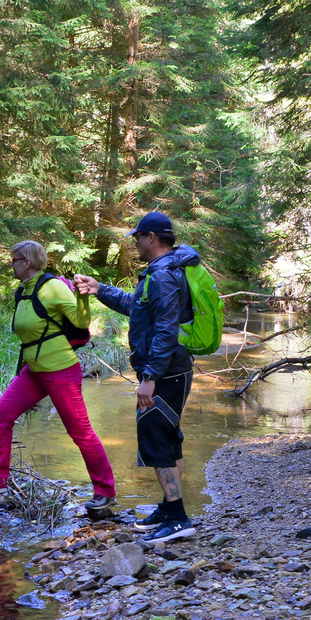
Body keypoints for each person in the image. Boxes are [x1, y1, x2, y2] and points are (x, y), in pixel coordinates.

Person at [74, 211, 200, 544]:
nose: (135, 243)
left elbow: (165, 329)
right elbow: (136, 305)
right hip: (172, 370)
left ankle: (177, 518)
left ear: (152, 238)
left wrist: (150, 377)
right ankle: (170, 507)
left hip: (166, 371)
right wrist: (100, 289)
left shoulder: (163, 276)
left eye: (138, 237)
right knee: (169, 439)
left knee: (158, 441)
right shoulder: (164, 271)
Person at [0, 240, 118, 518]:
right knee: (1, 414)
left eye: (14, 259)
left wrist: (83, 296)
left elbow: (82, 321)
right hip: (34, 370)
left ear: (27, 262)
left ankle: (105, 491)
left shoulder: (53, 287)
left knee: (80, 433)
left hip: (61, 370)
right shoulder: (23, 292)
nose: (10, 264)